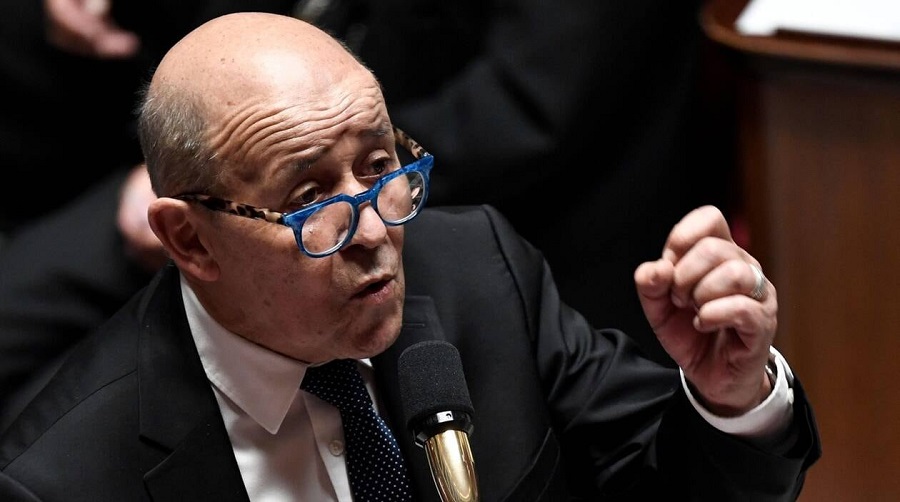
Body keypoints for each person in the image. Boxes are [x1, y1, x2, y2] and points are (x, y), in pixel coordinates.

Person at [0, 12, 820, 501]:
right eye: (309, 199)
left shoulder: (480, 273)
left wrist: (730, 397)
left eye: (380, 168)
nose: (372, 233)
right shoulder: (63, 479)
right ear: (188, 239)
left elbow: (675, 485)